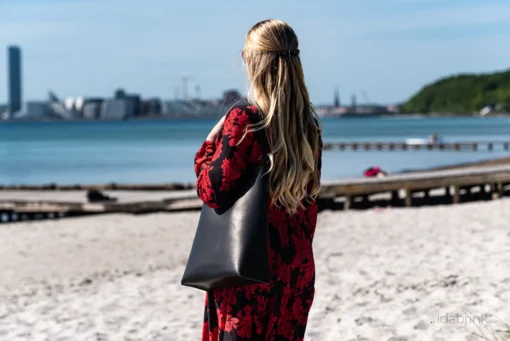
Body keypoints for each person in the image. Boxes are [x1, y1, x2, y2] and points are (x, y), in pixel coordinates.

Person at [194, 19, 322, 341]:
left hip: (249, 265)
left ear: (252, 61)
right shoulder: (308, 126)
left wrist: (208, 146)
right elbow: (309, 204)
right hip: (296, 265)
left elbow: (211, 191)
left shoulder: (246, 121)